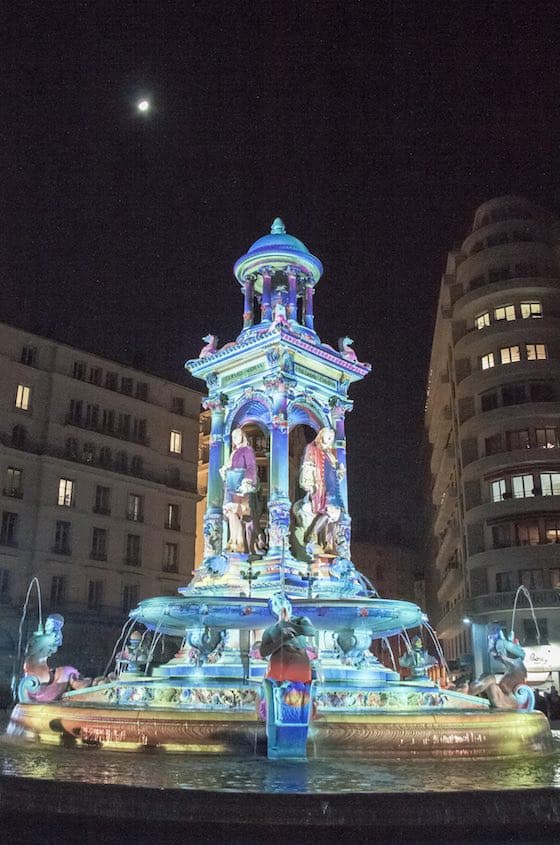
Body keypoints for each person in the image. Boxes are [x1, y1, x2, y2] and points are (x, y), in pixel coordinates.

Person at [298, 427, 345, 553]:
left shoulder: (331, 453)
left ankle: (329, 544)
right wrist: (308, 483)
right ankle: (313, 534)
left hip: (332, 488)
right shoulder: (313, 449)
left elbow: (334, 473)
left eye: (332, 437)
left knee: (336, 516)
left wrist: (339, 473)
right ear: (321, 435)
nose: (330, 439)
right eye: (327, 435)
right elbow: (308, 467)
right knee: (330, 512)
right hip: (321, 486)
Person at [220, 428, 258, 553]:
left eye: (237, 435)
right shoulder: (234, 452)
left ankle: (239, 541)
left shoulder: (247, 450)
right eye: (233, 436)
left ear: (243, 436)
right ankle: (234, 539)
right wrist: (225, 469)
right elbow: (231, 466)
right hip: (231, 482)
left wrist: (247, 480)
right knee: (230, 512)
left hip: (240, 482)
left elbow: (251, 466)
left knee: (236, 510)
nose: (235, 438)